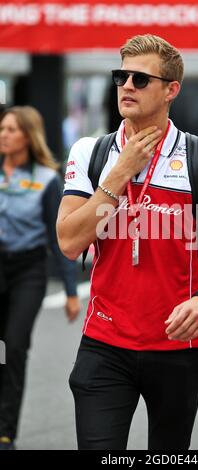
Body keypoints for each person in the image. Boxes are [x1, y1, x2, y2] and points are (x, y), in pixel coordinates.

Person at [57, 34, 198, 450]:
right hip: (104, 345)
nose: (126, 86)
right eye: (121, 76)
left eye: (140, 79)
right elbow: (69, 241)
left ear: (171, 90)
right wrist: (119, 174)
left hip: (178, 344)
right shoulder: (91, 152)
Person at [0, 105, 81, 450]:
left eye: (11, 130)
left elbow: (58, 237)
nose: (4, 135)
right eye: (1, 129)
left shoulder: (48, 179)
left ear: (28, 136)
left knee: (13, 346)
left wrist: (71, 291)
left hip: (28, 271)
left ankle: (5, 432)